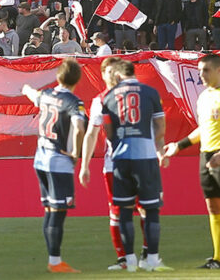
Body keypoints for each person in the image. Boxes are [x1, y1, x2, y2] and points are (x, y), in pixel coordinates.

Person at [79, 57, 168, 272]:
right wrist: (159, 151)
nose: (108, 76)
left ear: (117, 74)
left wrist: (84, 164)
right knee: (142, 209)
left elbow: (92, 134)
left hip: (117, 162)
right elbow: (159, 128)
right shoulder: (148, 93)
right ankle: (144, 258)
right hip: (142, 160)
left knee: (122, 211)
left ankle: (132, 259)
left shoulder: (104, 98)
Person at [22, 57, 87, 273]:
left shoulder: (47, 94)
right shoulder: (74, 102)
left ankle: (54, 260)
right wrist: (77, 153)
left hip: (40, 158)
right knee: (58, 211)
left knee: (50, 210)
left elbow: (33, 94)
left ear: (58, 76)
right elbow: (79, 127)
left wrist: (26, 88)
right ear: (76, 79)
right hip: (59, 161)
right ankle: (55, 262)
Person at [162, 52, 220, 269]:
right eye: (199, 71)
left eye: (205, 70)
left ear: (218, 70)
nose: (201, 75)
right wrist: (179, 146)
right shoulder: (204, 97)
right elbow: (204, 128)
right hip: (207, 156)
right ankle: (217, 258)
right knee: (214, 207)